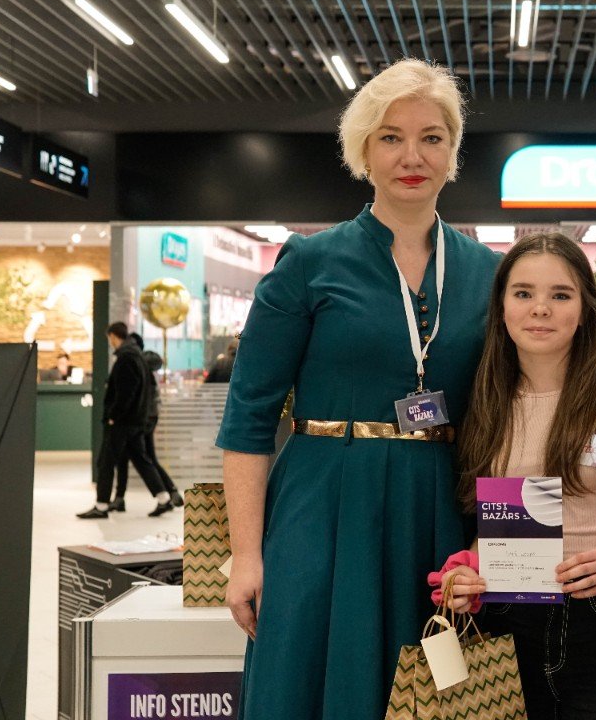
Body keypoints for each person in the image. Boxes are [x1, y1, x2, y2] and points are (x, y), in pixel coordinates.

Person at [215, 59, 502, 719]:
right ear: (363, 150)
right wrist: (245, 554)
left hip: (440, 507)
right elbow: (249, 417)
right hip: (323, 505)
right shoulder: (309, 262)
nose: (412, 156)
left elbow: (520, 401)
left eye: (431, 137)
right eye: (390, 137)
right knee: (310, 681)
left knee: (438, 692)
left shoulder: (488, 272)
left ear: (453, 152)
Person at [434, 232, 596, 719]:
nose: (540, 308)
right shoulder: (484, 404)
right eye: (523, 293)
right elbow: (493, 528)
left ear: (585, 309)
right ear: (501, 307)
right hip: (504, 622)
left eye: (560, 295)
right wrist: (466, 571)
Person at [77, 322, 175, 518]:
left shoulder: (126, 359)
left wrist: (114, 416)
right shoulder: (136, 356)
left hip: (123, 422)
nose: (110, 342)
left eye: (110, 338)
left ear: (114, 336)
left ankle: (101, 505)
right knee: (141, 460)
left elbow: (125, 393)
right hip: (135, 421)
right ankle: (164, 498)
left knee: (106, 462)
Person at [109, 334, 183, 512]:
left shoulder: (137, 366)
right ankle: (169, 492)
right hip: (146, 420)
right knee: (144, 458)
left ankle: (165, 494)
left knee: (139, 458)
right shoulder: (144, 369)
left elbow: (137, 398)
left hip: (140, 421)